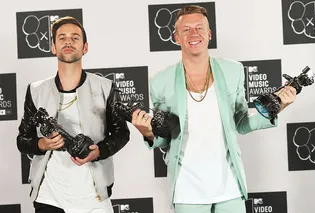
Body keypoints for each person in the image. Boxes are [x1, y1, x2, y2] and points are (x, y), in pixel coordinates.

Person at [131, 5, 296, 213]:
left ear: (209, 34)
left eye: (199, 28)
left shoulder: (233, 70)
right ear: (176, 37)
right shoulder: (159, 82)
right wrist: (147, 133)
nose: (194, 34)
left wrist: (275, 108)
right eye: (187, 29)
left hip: (229, 186)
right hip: (186, 189)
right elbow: (166, 137)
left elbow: (242, 123)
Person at [17, 16, 130, 213]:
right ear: (53, 47)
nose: (68, 42)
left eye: (75, 38)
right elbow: (22, 139)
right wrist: (41, 144)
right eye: (62, 38)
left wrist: (99, 151)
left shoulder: (105, 87)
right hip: (49, 197)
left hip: (94, 196)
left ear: (85, 47)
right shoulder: (36, 90)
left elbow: (122, 133)